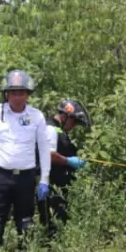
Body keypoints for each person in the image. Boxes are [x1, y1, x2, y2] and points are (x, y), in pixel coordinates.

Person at [0, 69, 51, 252]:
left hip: (25, 178)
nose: (17, 97)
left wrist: (44, 179)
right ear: (6, 94)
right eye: (13, 92)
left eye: (21, 92)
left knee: (26, 224)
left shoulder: (37, 116)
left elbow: (44, 148)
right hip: (0, 175)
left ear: (28, 94)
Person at [40, 98, 91, 234]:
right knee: (52, 225)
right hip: (50, 187)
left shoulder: (58, 131)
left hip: (58, 187)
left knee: (59, 223)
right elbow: (49, 155)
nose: (73, 126)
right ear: (66, 116)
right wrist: (69, 161)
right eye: (73, 121)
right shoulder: (50, 128)